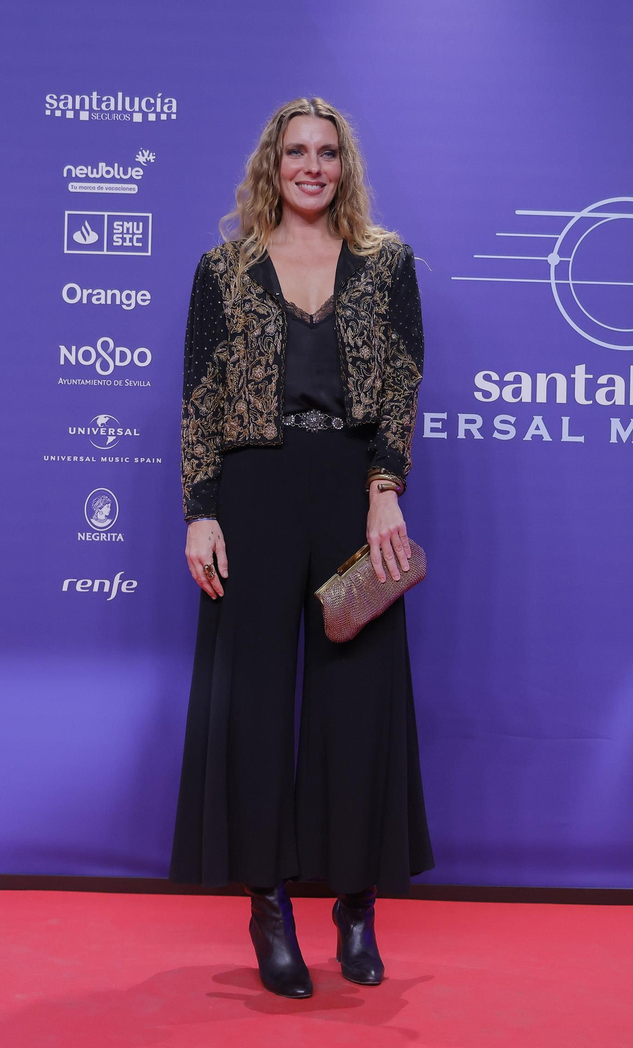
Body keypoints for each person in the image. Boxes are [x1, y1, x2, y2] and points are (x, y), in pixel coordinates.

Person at [169, 97, 434, 999]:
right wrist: (200, 510)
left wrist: (384, 489)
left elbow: (401, 387)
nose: (311, 166)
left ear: (344, 165)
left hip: (353, 487)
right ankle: (269, 905)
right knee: (252, 704)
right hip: (253, 487)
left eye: (326, 152)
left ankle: (356, 908)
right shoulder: (224, 268)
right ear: (271, 165)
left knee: (356, 701)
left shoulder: (387, 263)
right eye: (296, 152)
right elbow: (200, 397)